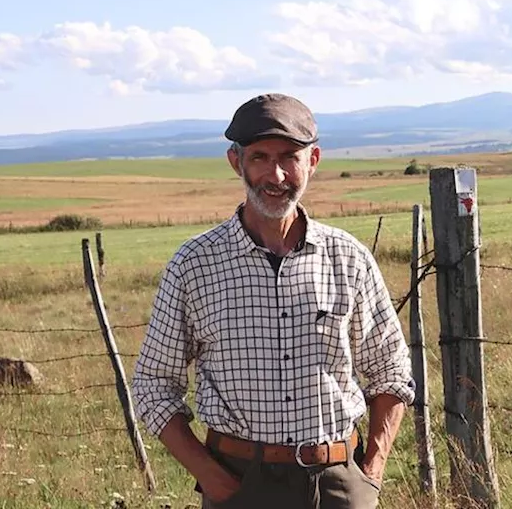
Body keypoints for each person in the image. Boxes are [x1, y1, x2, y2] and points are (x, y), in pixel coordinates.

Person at [131, 93, 415, 508]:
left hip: (337, 482)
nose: (276, 175)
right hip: (240, 483)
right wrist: (208, 474)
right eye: (260, 157)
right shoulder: (194, 264)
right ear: (236, 162)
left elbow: (390, 369)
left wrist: (370, 473)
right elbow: (154, 384)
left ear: (313, 160)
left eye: (289, 157)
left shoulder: (347, 258)